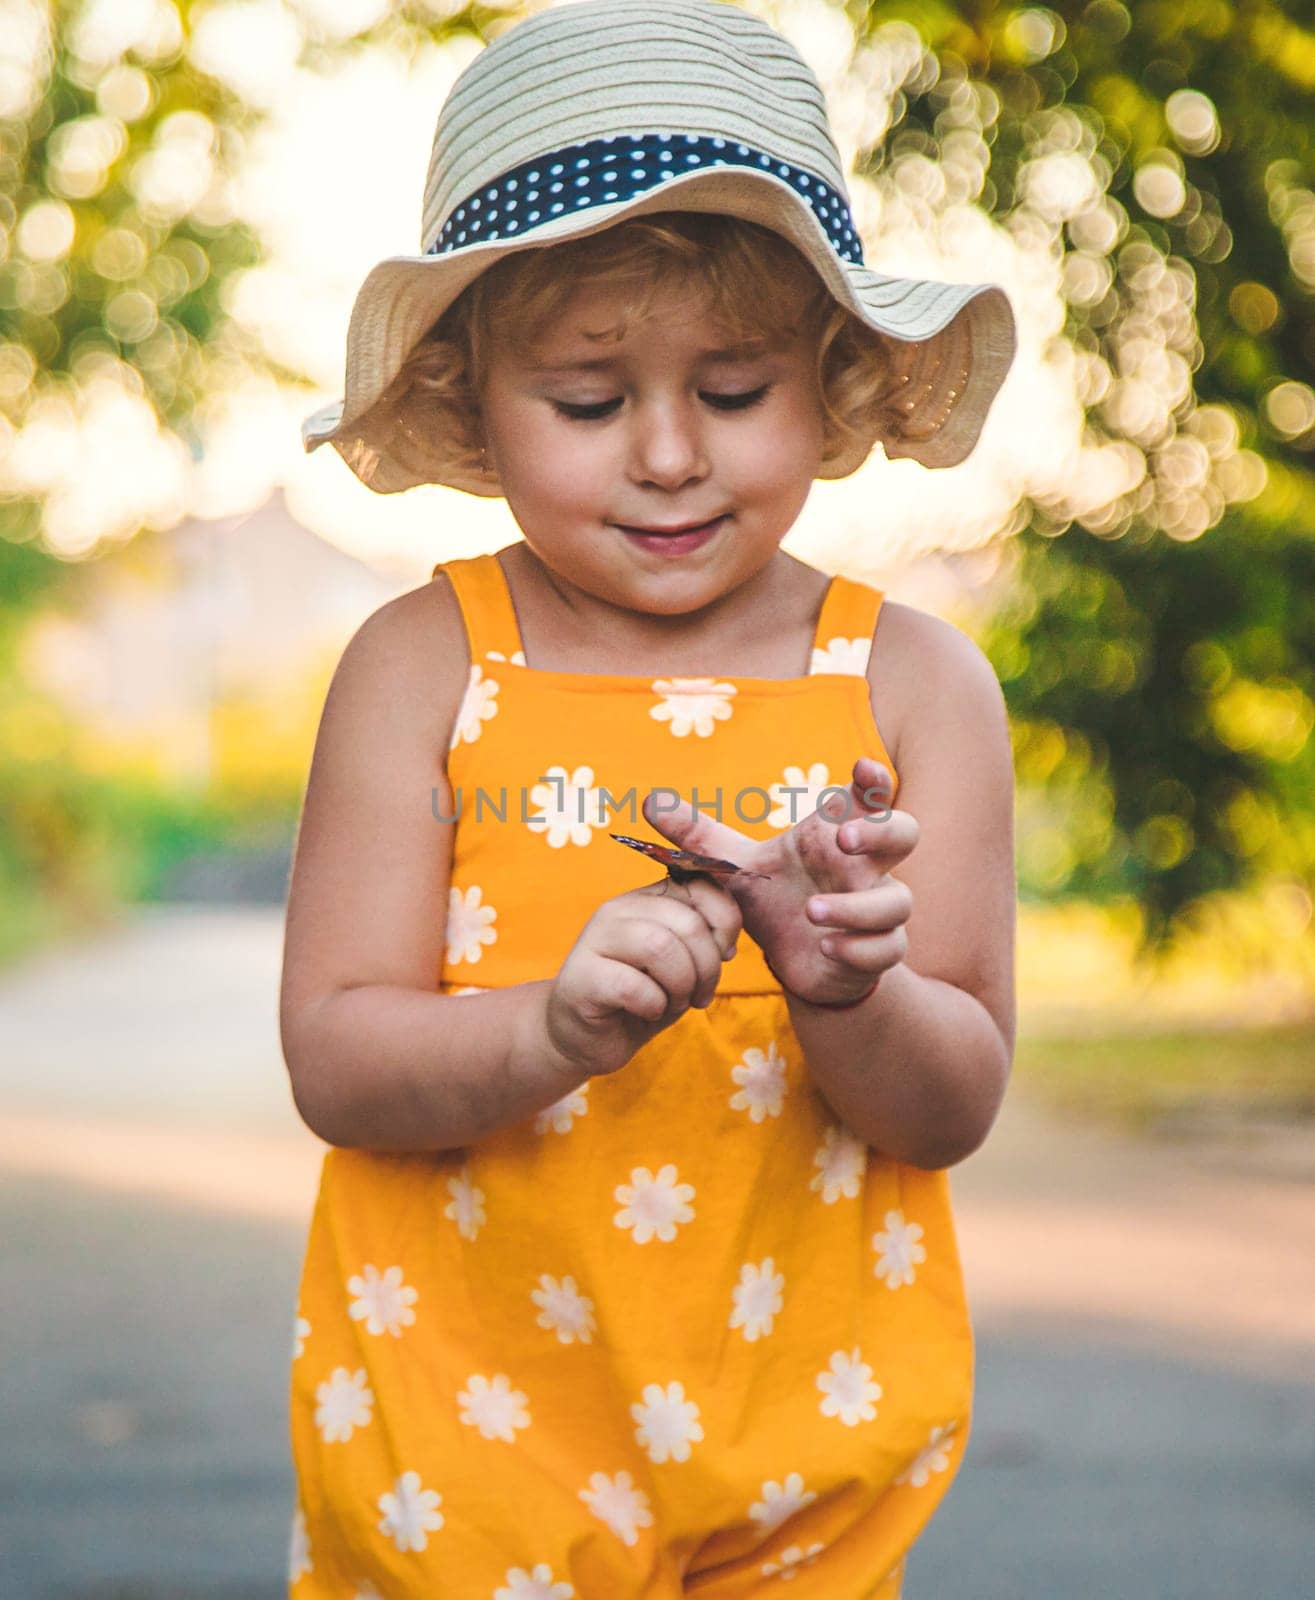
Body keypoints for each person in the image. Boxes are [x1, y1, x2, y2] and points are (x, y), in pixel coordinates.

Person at [282, 1, 1018, 1594]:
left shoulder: (911, 690)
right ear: (476, 403)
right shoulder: (423, 667)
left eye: (737, 391)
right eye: (591, 403)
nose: (670, 455)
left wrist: (845, 988)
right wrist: (553, 1029)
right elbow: (338, 1055)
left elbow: (950, 1104)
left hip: (799, 1460)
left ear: (829, 379)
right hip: (467, 1459)